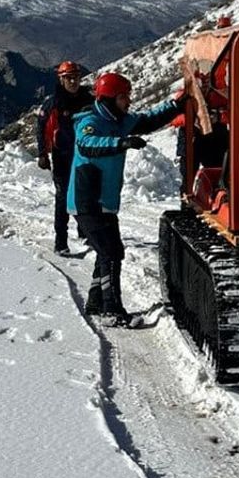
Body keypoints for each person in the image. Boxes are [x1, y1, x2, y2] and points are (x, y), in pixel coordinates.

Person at [69, 72, 184, 324]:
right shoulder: (91, 120)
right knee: (111, 253)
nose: (128, 101)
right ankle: (112, 310)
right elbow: (87, 143)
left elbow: (147, 120)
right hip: (87, 200)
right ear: (109, 99)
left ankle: (96, 302)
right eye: (123, 97)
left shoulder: (119, 119)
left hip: (105, 202)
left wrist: (176, 106)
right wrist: (121, 143)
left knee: (106, 251)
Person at [35, 60, 95, 256]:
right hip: (62, 156)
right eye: (68, 78)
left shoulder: (87, 100)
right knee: (62, 199)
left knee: (85, 194)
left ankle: (84, 232)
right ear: (61, 79)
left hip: (84, 155)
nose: (73, 81)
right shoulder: (53, 103)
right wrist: (43, 153)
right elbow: (41, 127)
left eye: (76, 77)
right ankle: (61, 241)